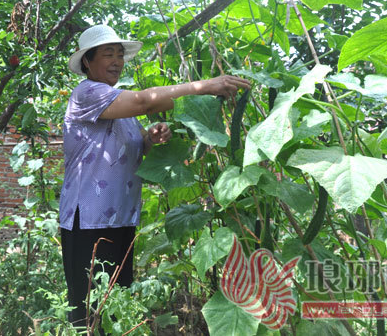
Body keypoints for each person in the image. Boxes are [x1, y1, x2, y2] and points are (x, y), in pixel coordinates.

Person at [59, 24, 249, 326]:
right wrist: (205, 86)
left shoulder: (116, 103)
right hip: (89, 221)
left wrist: (149, 138)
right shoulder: (87, 92)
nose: (117, 61)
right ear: (87, 61)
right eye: (108, 54)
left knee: (115, 306)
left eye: (119, 55)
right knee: (89, 311)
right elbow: (143, 101)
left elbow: (130, 147)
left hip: (120, 217)